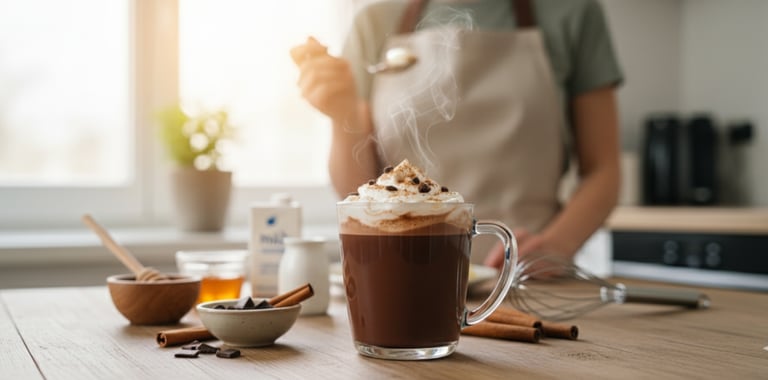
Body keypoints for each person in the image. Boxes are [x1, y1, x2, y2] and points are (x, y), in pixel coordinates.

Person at [291, 0, 622, 269]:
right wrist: (342, 114)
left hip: (527, 283)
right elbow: (359, 194)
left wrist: (556, 246)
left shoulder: (573, 13)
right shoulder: (375, 22)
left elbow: (603, 169)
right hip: (406, 275)